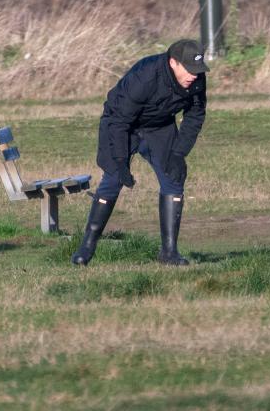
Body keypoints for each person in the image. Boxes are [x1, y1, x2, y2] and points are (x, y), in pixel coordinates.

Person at [71, 39, 208, 266]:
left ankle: (169, 253)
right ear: (173, 63)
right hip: (123, 125)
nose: (195, 75)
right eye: (189, 70)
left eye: (198, 70)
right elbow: (119, 121)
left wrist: (178, 153)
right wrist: (120, 161)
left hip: (159, 127)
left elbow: (195, 116)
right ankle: (86, 248)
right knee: (113, 179)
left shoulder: (196, 80)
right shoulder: (145, 75)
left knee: (174, 178)